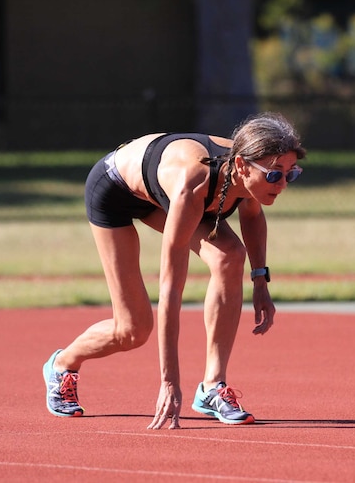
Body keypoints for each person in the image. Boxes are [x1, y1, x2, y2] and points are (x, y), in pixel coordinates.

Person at [42, 112, 306, 429]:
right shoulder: (193, 186)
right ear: (240, 166)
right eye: (275, 175)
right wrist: (169, 382)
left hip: (159, 191)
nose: (282, 184)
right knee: (133, 330)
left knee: (229, 257)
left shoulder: (251, 177)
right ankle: (63, 364)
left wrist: (260, 280)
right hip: (116, 192)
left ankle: (213, 386)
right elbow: (170, 289)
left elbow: (251, 217)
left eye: (290, 175)